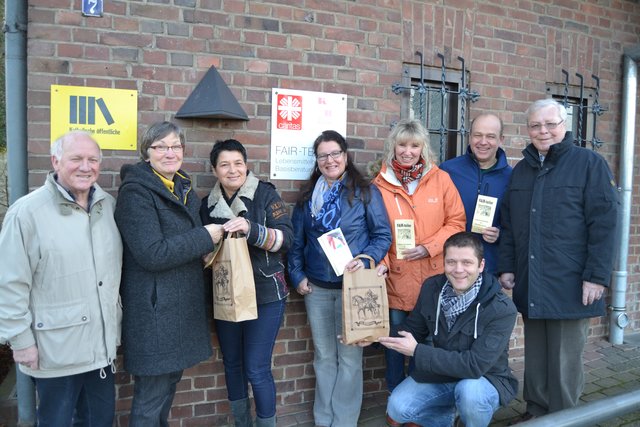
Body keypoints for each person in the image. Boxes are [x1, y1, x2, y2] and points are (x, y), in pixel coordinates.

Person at [498, 99, 619, 421]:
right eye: (536, 125)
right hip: (531, 279)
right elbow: (509, 224)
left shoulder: (589, 164)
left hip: (572, 281)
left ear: (564, 126)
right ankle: (536, 412)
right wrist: (508, 266)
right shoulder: (522, 170)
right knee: (536, 356)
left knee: (565, 361)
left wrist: (596, 275)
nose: (543, 131)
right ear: (528, 130)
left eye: (550, 124)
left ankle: (565, 417)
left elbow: (605, 225)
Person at [0, 131, 123, 426]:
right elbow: (9, 284)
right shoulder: (27, 213)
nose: (86, 166)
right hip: (55, 352)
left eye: (93, 159)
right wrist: (20, 340)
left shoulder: (107, 206)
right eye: (76, 159)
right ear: (56, 161)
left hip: (101, 350)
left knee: (99, 421)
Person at [115, 121, 223, 426]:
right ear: (146, 152)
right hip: (155, 313)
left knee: (166, 388)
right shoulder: (136, 193)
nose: (169, 152)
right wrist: (204, 237)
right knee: (151, 398)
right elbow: (152, 253)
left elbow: (179, 242)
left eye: (175, 146)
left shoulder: (181, 186)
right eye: (160, 146)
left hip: (177, 309)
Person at [287, 130, 392, 427]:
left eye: (335, 154)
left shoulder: (366, 192)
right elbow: (296, 242)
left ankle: (344, 421)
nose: (330, 160)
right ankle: (324, 420)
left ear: (345, 156)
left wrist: (365, 258)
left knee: (349, 359)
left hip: (353, 287)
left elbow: (383, 235)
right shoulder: (308, 198)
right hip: (317, 288)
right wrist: (297, 276)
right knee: (323, 357)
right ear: (317, 161)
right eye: (323, 155)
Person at [377, 232, 518, 427]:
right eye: (451, 262)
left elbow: (474, 365)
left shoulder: (501, 308)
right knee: (397, 407)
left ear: (481, 265)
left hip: (483, 379)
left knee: (470, 395)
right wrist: (372, 336)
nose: (458, 269)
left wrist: (417, 351)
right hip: (442, 374)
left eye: (467, 262)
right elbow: (411, 330)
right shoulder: (432, 288)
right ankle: (444, 421)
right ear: (444, 263)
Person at [200, 139, 293, 427]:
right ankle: (242, 423)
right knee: (233, 364)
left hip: (266, 293)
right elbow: (202, 253)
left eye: (238, 163)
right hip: (226, 294)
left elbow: (287, 238)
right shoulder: (207, 205)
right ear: (214, 170)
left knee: (256, 368)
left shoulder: (265, 194)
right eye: (224, 164)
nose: (232, 170)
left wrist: (251, 229)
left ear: (246, 165)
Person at [372, 119, 466, 394]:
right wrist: (382, 263)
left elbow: (457, 221)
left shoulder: (441, 179)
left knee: (425, 345)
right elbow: (375, 230)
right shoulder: (380, 185)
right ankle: (395, 399)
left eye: (414, 145)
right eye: (402, 144)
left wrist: (430, 246)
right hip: (397, 280)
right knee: (394, 344)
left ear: (423, 147)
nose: (408, 151)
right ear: (393, 146)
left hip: (433, 280)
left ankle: (417, 401)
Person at [440, 113, 512, 275]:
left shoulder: (513, 178)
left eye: (490, 136)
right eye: (477, 135)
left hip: (489, 267)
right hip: (451, 266)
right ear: (469, 136)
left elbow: (517, 224)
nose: (483, 142)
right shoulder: (447, 170)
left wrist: (500, 233)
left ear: (501, 140)